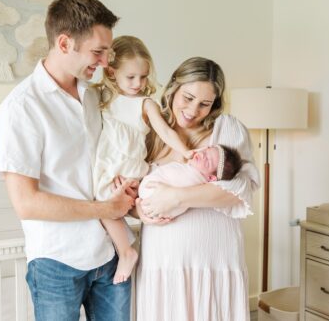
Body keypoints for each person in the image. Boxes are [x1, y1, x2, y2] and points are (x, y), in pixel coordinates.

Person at [0, 0, 136, 321]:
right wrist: (105, 208)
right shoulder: (22, 107)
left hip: (108, 254)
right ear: (63, 43)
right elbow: (26, 203)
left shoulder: (94, 95)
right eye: (97, 53)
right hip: (58, 262)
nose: (104, 62)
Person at [134, 58, 259, 321]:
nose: (193, 110)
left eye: (205, 104)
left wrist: (177, 197)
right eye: (188, 98)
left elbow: (237, 190)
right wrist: (139, 210)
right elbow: (133, 192)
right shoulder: (151, 134)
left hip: (213, 261)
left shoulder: (227, 129)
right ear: (172, 90)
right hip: (163, 261)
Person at [91, 35, 190, 284]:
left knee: (104, 201)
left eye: (143, 77)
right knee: (103, 203)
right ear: (112, 73)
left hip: (126, 165)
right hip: (109, 163)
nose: (138, 83)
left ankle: (126, 251)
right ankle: (128, 244)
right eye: (131, 77)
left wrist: (187, 152)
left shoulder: (146, 104)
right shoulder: (103, 98)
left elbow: (166, 132)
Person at [138, 144, 244, 205]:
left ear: (211, 178)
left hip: (151, 194)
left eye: (207, 161)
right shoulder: (190, 164)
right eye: (206, 151)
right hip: (145, 195)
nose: (202, 155)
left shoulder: (194, 179)